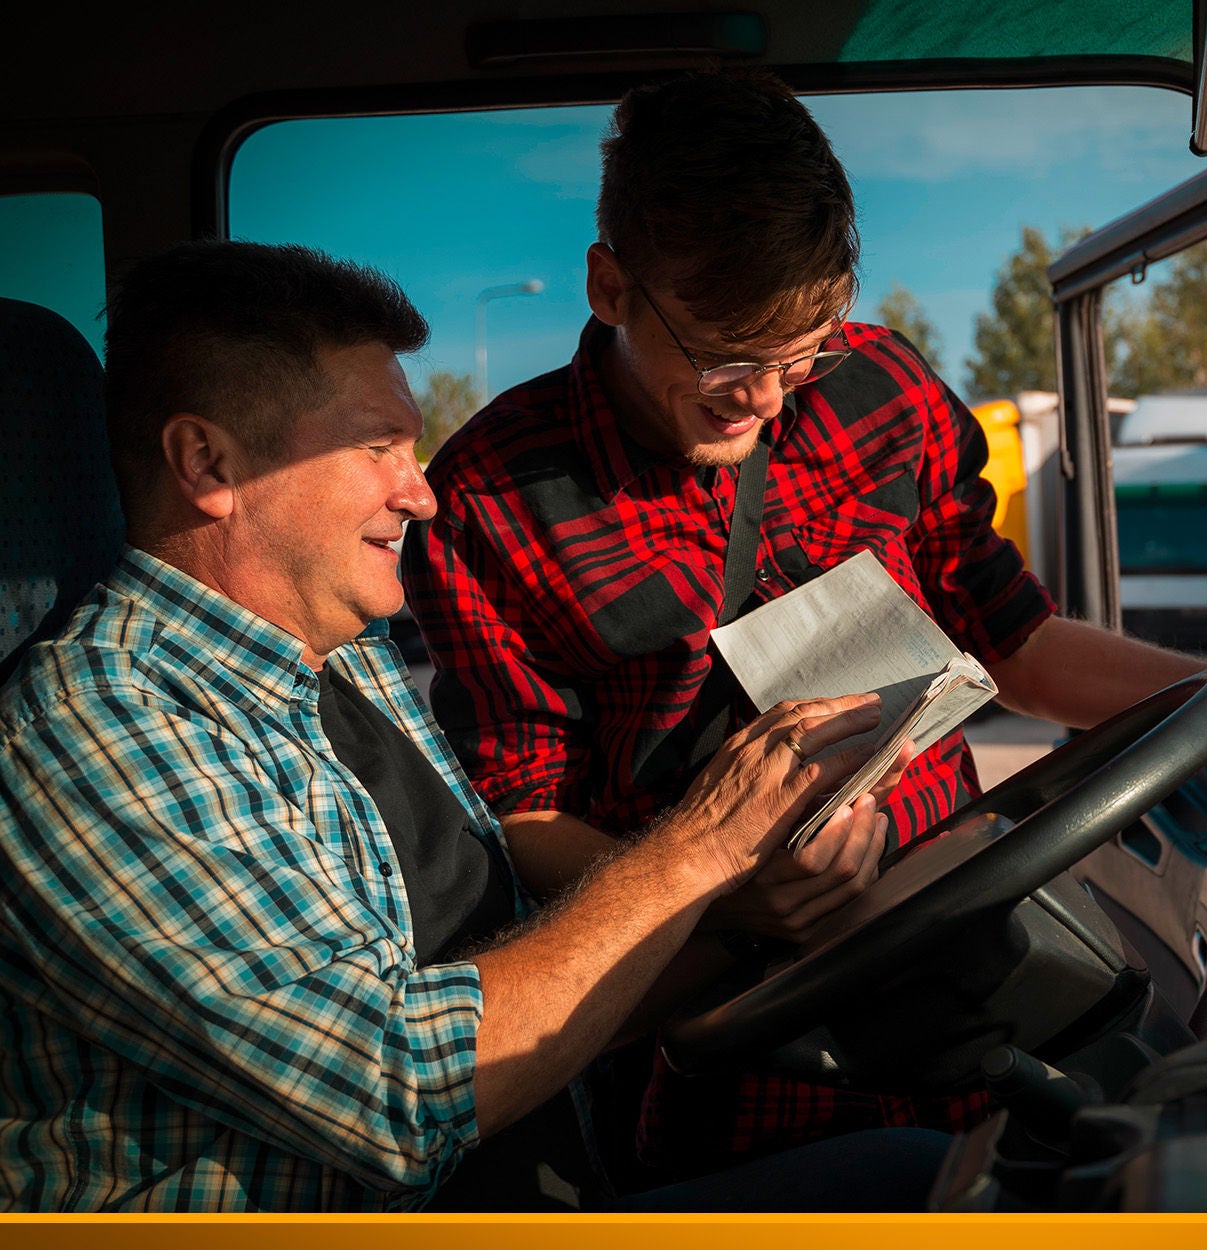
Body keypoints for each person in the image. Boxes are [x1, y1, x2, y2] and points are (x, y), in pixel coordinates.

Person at [403, 68, 1207, 1175]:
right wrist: (723, 890)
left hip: (964, 938)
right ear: (609, 287)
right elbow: (523, 812)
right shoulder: (489, 498)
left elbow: (1018, 644)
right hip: (722, 1024)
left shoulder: (881, 391)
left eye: (803, 350)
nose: (764, 397)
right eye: (725, 355)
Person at [0, 241, 936, 1212]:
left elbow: (523, 981)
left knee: (929, 1168)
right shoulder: (98, 733)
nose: (423, 490)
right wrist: (705, 843)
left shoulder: (351, 661)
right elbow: (401, 1091)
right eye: (375, 447)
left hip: (556, 1182)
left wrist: (759, 920)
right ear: (208, 462)